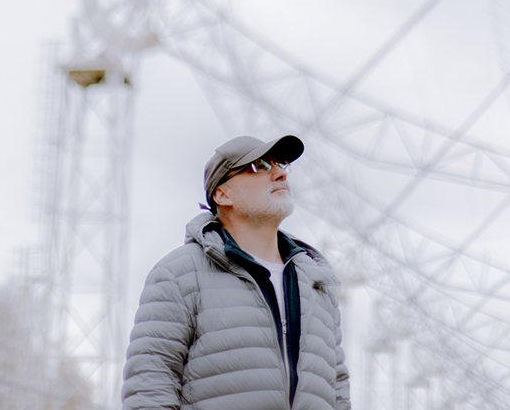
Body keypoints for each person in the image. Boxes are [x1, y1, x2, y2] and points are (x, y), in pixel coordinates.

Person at [121, 133, 351, 410]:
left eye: (281, 164)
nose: (280, 174)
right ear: (223, 194)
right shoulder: (178, 275)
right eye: (260, 166)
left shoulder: (317, 284)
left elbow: (338, 392)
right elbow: (149, 387)